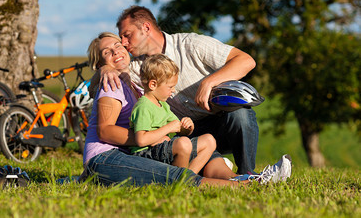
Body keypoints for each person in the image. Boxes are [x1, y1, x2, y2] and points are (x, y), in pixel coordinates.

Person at [81, 32, 291, 187]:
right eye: (106, 52)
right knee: (174, 176)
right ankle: (245, 186)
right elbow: (105, 131)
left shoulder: (135, 81)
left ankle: (244, 176)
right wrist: (152, 136)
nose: (116, 51)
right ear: (99, 62)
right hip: (106, 156)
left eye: (118, 45)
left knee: (200, 147)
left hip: (133, 151)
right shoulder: (111, 83)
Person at [97, 5, 259, 174]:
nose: (123, 43)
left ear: (146, 28)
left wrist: (209, 82)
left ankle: (248, 174)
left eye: (127, 35)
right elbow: (104, 75)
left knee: (240, 114)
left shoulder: (191, 44)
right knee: (190, 152)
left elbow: (246, 61)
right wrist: (105, 69)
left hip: (224, 124)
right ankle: (205, 173)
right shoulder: (137, 68)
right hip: (182, 133)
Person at [130, 53, 216, 175]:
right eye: (170, 87)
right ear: (153, 85)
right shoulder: (143, 106)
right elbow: (141, 140)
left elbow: (180, 130)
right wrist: (168, 128)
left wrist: (187, 126)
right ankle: (178, 180)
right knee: (183, 143)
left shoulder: (163, 105)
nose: (173, 90)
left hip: (163, 148)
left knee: (209, 140)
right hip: (146, 153)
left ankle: (188, 178)